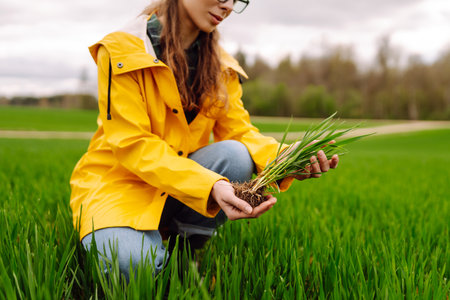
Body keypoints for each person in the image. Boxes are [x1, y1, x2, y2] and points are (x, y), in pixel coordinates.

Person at [70, 0, 339, 280]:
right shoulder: (121, 50)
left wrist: (285, 158)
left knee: (236, 154)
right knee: (131, 265)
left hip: (179, 185)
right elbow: (133, 144)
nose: (228, 6)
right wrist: (211, 186)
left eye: (237, 0)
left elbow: (239, 133)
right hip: (119, 189)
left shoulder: (222, 66)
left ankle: (185, 249)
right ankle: (155, 262)